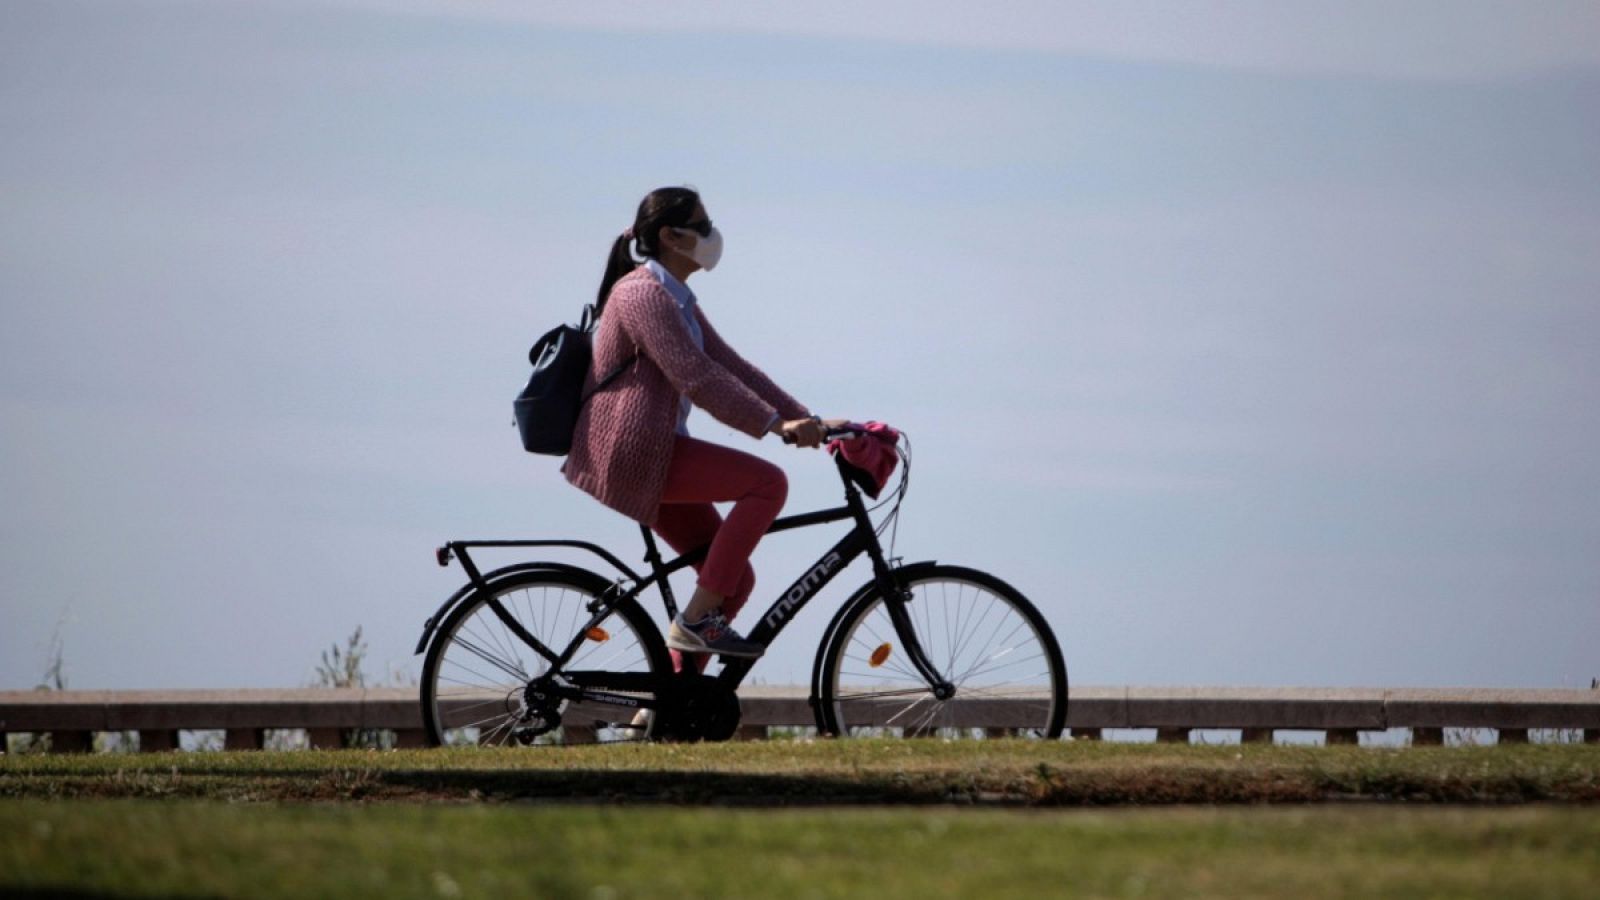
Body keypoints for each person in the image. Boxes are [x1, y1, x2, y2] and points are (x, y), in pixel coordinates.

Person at [564, 186, 835, 663]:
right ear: (671, 236)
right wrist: (774, 425)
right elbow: (697, 376)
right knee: (767, 484)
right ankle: (693, 622)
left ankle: (665, 717)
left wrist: (804, 418)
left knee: (732, 581)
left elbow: (732, 365)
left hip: (654, 453)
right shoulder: (641, 294)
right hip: (634, 454)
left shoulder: (676, 296)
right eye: (703, 226)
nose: (714, 236)